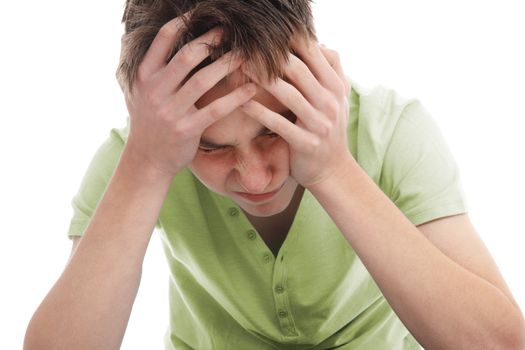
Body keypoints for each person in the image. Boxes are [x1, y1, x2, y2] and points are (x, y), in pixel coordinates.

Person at [24, 1, 525, 349]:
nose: (255, 178)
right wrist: (146, 165)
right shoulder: (143, 154)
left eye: (274, 131)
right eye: (210, 146)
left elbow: (500, 344)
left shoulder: (391, 130)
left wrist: (333, 169)